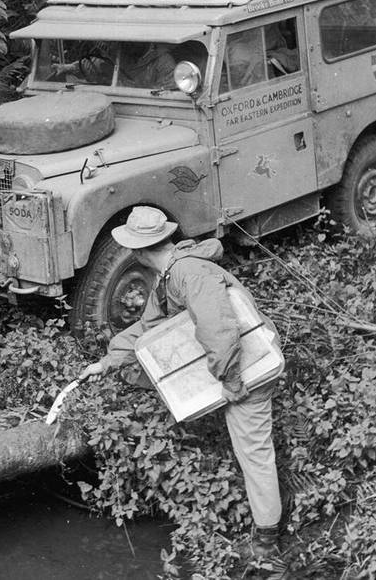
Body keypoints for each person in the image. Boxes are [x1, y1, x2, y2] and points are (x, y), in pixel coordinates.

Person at [78, 206, 283, 558]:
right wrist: (106, 363)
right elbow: (148, 330)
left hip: (250, 367)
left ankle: (266, 543)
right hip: (237, 364)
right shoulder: (171, 273)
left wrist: (231, 382)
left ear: (139, 250)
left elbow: (219, 329)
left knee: (254, 452)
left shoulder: (190, 273)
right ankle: (270, 512)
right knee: (250, 448)